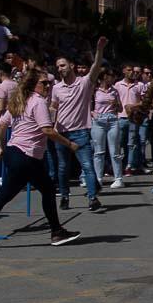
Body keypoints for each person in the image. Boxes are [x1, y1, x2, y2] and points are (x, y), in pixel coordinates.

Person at [0, 70, 81, 249]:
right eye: (44, 83)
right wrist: (69, 144)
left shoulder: (20, 101)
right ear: (33, 85)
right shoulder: (38, 101)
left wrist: (3, 147)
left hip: (17, 153)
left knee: (39, 190)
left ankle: (57, 231)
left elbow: (2, 124)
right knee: (16, 193)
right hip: (26, 156)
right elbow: (47, 130)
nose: (48, 86)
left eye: (49, 83)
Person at [50, 38, 108, 212]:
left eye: (63, 65)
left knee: (88, 166)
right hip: (61, 133)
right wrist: (49, 123)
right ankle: (65, 196)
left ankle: (92, 198)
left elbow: (96, 66)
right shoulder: (56, 88)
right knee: (63, 168)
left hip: (80, 132)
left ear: (72, 65)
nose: (60, 69)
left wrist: (99, 50)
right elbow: (54, 107)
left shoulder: (84, 83)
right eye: (58, 67)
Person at [90, 69, 124, 188]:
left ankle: (118, 178)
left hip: (112, 120)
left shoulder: (114, 90)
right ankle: (98, 178)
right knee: (98, 152)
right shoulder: (94, 90)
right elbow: (88, 106)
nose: (113, 78)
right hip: (99, 121)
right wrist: (92, 113)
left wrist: (116, 104)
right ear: (104, 76)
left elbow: (120, 109)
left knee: (115, 151)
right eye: (111, 75)